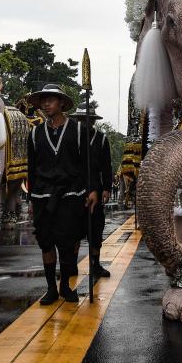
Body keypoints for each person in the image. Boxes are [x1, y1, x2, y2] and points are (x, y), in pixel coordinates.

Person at [26, 84, 98, 305]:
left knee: (67, 242)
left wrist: (93, 189)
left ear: (62, 104)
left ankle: (65, 286)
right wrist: (30, 197)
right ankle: (50, 289)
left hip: (71, 194)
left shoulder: (78, 131)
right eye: (43, 100)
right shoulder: (35, 133)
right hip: (42, 195)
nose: (46, 104)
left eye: (51, 100)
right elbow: (32, 166)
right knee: (46, 243)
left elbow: (89, 164)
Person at [69, 101, 113, 279]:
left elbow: (106, 166)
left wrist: (106, 188)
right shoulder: (71, 138)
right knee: (73, 232)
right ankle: (71, 264)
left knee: (95, 231)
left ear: (93, 121)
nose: (84, 123)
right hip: (74, 190)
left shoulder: (101, 139)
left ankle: (96, 264)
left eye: (87, 120)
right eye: (80, 119)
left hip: (96, 187)